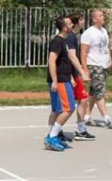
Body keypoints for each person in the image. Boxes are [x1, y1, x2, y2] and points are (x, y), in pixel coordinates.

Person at [81, 10, 112, 129]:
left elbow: (107, 47)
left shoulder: (103, 31)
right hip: (94, 65)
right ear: (94, 19)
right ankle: (106, 118)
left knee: (93, 93)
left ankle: (86, 117)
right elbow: (83, 52)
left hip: (103, 66)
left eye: (103, 15)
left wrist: (110, 59)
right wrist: (85, 69)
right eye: (100, 16)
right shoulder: (89, 33)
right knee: (100, 92)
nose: (103, 17)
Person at [44, 16, 76, 151]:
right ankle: (51, 137)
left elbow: (64, 62)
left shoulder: (64, 40)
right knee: (68, 108)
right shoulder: (57, 41)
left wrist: (72, 78)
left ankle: (52, 135)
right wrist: (55, 81)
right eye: (69, 23)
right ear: (64, 27)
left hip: (64, 78)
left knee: (57, 110)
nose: (72, 24)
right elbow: (51, 61)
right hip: (60, 80)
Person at [66, 13, 95, 141]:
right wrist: (80, 73)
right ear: (76, 22)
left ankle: (80, 129)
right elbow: (70, 57)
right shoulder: (71, 37)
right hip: (71, 75)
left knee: (83, 100)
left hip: (74, 74)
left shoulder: (74, 36)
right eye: (82, 19)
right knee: (66, 106)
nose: (84, 21)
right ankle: (55, 131)